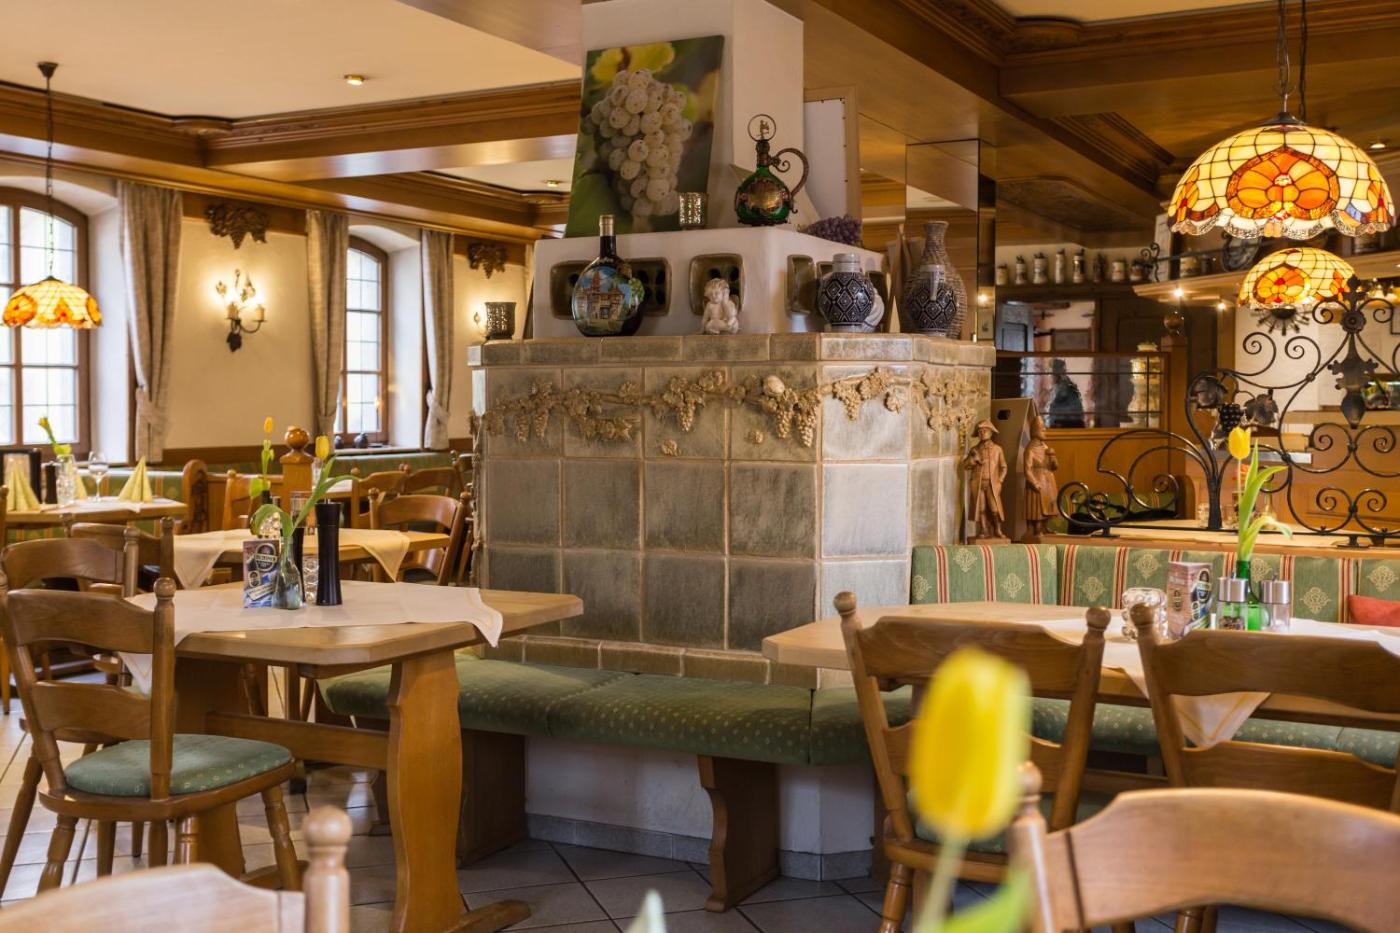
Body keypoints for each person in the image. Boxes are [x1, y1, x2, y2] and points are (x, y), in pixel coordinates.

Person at [963, 419, 1007, 541]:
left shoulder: (997, 449)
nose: (982, 433)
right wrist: (973, 459)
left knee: (994, 509)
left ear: (991, 432)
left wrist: (1000, 480)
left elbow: (1004, 466)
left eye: (985, 430)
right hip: (978, 483)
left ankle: (998, 529)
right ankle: (984, 530)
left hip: (992, 483)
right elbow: (965, 465)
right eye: (980, 431)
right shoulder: (975, 450)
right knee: (981, 509)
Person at [1023, 413, 1059, 540]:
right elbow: (1027, 469)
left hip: (1048, 481)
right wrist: (1034, 483)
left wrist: (1053, 459)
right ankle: (1036, 529)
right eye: (1042, 429)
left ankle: (1044, 527)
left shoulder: (1046, 447)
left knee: (1048, 506)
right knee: (1036, 508)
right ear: (1035, 431)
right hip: (1037, 481)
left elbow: (1053, 467)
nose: (1045, 431)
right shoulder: (1030, 450)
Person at [1045, 358, 1086, 428]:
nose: (1050, 376)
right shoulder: (1062, 384)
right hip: (1068, 422)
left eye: (1051, 374)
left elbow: (1059, 401)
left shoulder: (1064, 386)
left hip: (1068, 424)